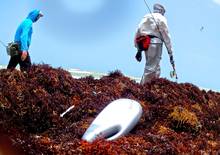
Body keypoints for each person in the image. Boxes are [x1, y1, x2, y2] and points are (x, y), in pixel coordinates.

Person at [134, 3, 176, 84]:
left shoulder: (145, 17)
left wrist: (137, 47)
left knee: (155, 67)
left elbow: (138, 30)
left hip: (145, 43)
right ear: (161, 11)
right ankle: (142, 88)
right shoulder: (162, 18)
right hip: (156, 44)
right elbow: (166, 36)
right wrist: (170, 53)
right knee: (151, 68)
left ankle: (153, 85)